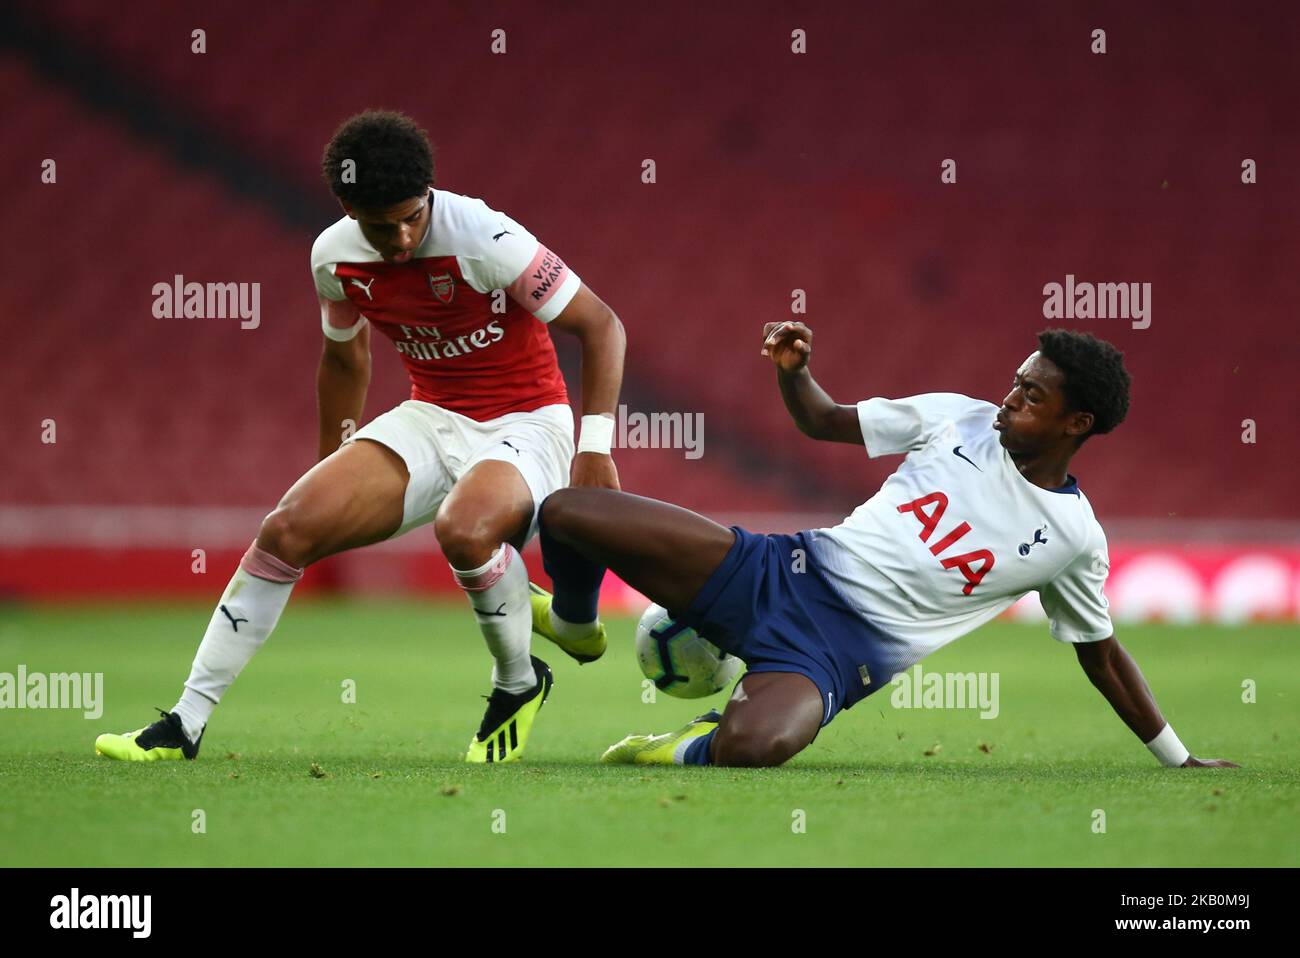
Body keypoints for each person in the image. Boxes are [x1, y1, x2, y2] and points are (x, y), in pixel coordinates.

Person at [94, 110, 625, 765]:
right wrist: (332, 464)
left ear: (429, 194)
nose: (400, 238)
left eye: (411, 216)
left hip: (527, 421)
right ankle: (185, 722)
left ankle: (517, 684)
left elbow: (601, 326)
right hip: (430, 417)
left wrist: (594, 446)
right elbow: (345, 360)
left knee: (464, 529)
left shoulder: (487, 238)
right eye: (381, 225)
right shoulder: (334, 258)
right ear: (348, 209)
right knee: (289, 527)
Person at [532, 322, 1239, 769]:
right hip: (773, 570)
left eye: (1033, 395)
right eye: (1016, 382)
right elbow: (824, 421)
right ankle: (574, 622)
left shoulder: (1074, 539)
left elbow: (1102, 654)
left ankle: (680, 745)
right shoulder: (955, 418)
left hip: (833, 657)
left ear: (1075, 422)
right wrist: (793, 371)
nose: (1010, 398)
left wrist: (1176, 759)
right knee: (568, 511)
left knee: (757, 748)